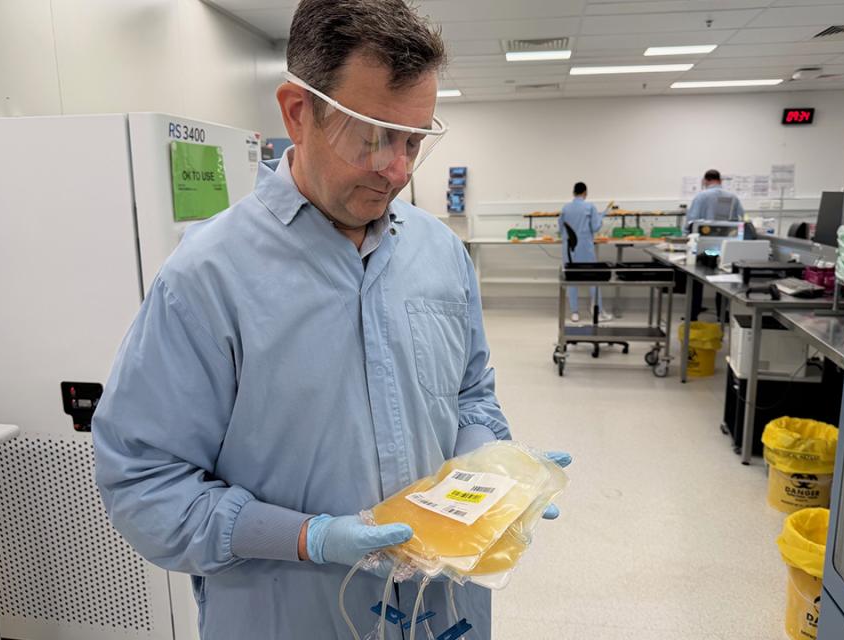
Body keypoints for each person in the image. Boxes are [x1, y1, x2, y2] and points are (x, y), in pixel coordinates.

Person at [91, 1, 570, 638]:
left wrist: (491, 472)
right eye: (372, 136)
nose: (397, 169)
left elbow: (471, 394)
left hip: (443, 609)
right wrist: (308, 537)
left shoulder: (439, 252)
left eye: (414, 140)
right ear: (297, 112)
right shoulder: (208, 277)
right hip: (291, 614)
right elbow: (144, 485)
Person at [685, 169, 744, 321]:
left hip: (704, 246)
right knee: (723, 280)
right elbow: (741, 220)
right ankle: (721, 315)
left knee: (696, 278)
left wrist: (685, 237)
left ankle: (693, 314)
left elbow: (691, 222)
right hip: (726, 246)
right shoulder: (733, 198)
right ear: (720, 180)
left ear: (705, 180)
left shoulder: (701, 196)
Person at [559, 181, 612, 323]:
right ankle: (598, 311)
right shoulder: (590, 207)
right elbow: (595, 227)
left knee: (571, 279)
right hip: (585, 248)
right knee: (593, 279)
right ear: (585, 193)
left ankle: (574, 313)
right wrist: (601, 218)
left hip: (569, 249)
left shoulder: (565, 208)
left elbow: (561, 228)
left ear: (573, 192)